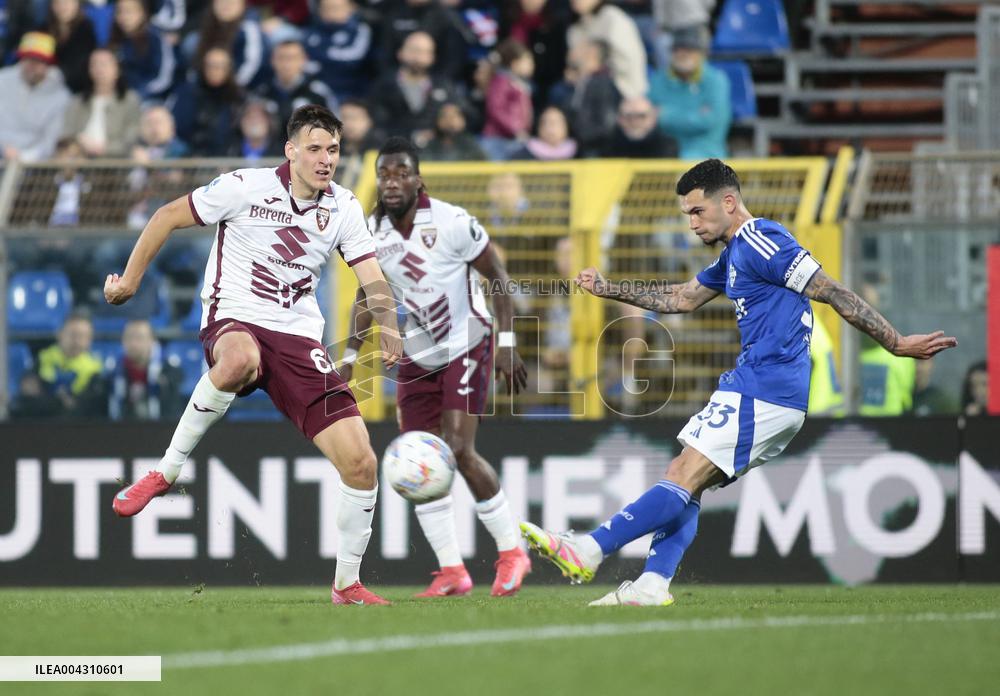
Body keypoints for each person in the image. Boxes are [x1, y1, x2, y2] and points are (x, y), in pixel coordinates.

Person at [520, 159, 958, 606]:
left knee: (682, 474)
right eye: (688, 214)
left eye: (698, 211)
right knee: (688, 481)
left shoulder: (763, 239)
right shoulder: (735, 252)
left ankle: (589, 549)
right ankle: (652, 584)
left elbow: (830, 290)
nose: (692, 223)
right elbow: (682, 298)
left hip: (767, 387)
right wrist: (609, 288)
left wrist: (895, 342)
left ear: (728, 202)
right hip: (761, 387)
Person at [105, 105, 403, 607]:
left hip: (298, 338)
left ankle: (347, 585)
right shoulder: (244, 186)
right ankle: (166, 471)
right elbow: (166, 216)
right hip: (235, 318)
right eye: (314, 148)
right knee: (239, 359)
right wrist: (130, 282)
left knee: (361, 463)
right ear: (291, 151)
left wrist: (389, 326)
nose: (325, 159)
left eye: (333, 149)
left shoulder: (344, 207)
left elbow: (372, 277)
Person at [341, 137, 532, 598]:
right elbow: (369, 296)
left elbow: (498, 279)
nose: (392, 182)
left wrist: (507, 343)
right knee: (416, 456)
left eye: (401, 173)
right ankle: (452, 571)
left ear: (418, 179)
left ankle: (512, 552)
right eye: (384, 175)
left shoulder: (452, 222)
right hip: (418, 353)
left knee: (458, 450)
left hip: (468, 342)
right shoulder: (370, 233)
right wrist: (348, 357)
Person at [369, 30, 471, 149]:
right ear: (400, 53)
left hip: (438, 152)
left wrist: (454, 120)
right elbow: (376, 122)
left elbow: (467, 115)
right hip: (394, 150)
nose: (419, 57)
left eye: (426, 52)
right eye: (415, 50)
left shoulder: (444, 85)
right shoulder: (383, 86)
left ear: (433, 57)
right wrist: (411, 136)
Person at [647, 26, 730, 159]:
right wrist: (696, 116)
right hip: (663, 152)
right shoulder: (658, 79)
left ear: (701, 53)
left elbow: (710, 121)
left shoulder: (716, 80)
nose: (682, 54)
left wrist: (664, 115)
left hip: (706, 153)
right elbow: (647, 118)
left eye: (689, 49)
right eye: (677, 49)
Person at [0, 31, 71, 162]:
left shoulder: (60, 96)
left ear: (48, 64)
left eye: (38, 61)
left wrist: (24, 157)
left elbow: (51, 140)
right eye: (27, 59)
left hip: (36, 164)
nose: (31, 66)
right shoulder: (2, 80)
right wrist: (3, 149)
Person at [60, 48, 142, 158]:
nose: (99, 69)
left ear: (117, 70)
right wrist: (80, 141)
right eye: (94, 64)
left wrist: (104, 148)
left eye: (104, 64)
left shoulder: (130, 100)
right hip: (79, 158)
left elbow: (131, 137)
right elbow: (66, 134)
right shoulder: (77, 101)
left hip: (116, 160)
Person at [107, 319, 185, 420]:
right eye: (129, 337)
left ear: (152, 341)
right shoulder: (112, 375)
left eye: (139, 338)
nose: (133, 344)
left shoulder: (169, 374)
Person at [37, 310, 106, 418]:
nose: (77, 341)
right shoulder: (42, 360)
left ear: (90, 340)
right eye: (72, 335)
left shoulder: (96, 371)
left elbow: (93, 408)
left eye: (82, 336)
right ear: (59, 334)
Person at [601, 95, 677, 158]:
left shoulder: (668, 147)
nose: (635, 122)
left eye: (641, 116)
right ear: (619, 118)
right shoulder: (605, 147)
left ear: (654, 117)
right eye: (628, 116)